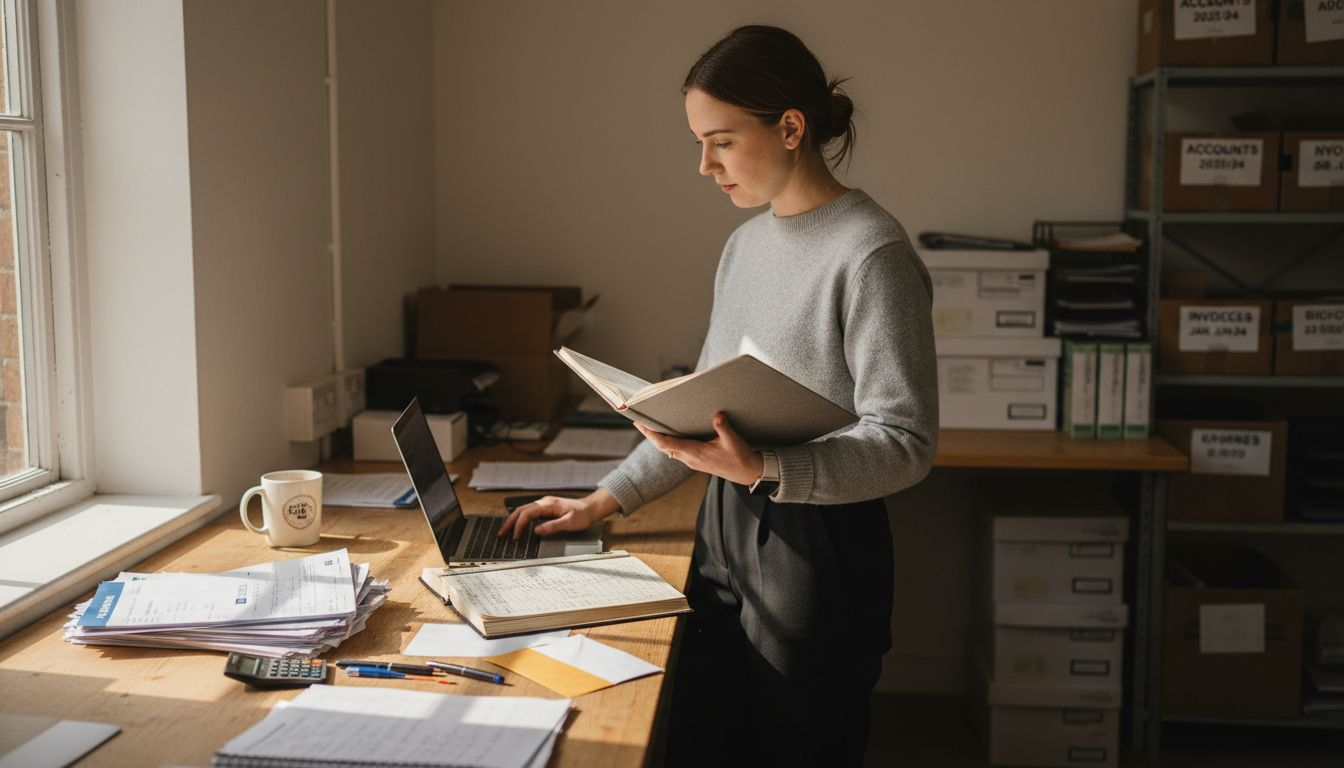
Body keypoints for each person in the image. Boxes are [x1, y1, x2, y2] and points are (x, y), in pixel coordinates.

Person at [498, 24, 937, 766]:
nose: (704, 165)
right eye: (699, 142)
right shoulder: (746, 245)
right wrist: (601, 501)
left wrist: (766, 468)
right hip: (725, 529)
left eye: (722, 141)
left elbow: (906, 443)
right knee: (700, 741)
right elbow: (699, 416)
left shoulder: (872, 254)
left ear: (791, 128)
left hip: (817, 553)